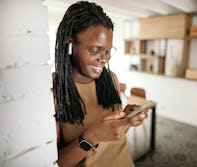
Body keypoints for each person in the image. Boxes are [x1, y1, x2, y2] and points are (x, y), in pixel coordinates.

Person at [52, 1, 148, 167]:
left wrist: (126, 120)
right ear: (69, 44)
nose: (104, 59)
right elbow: (55, 163)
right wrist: (91, 137)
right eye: (95, 50)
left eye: (108, 51)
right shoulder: (53, 91)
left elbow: (115, 135)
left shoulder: (110, 78)